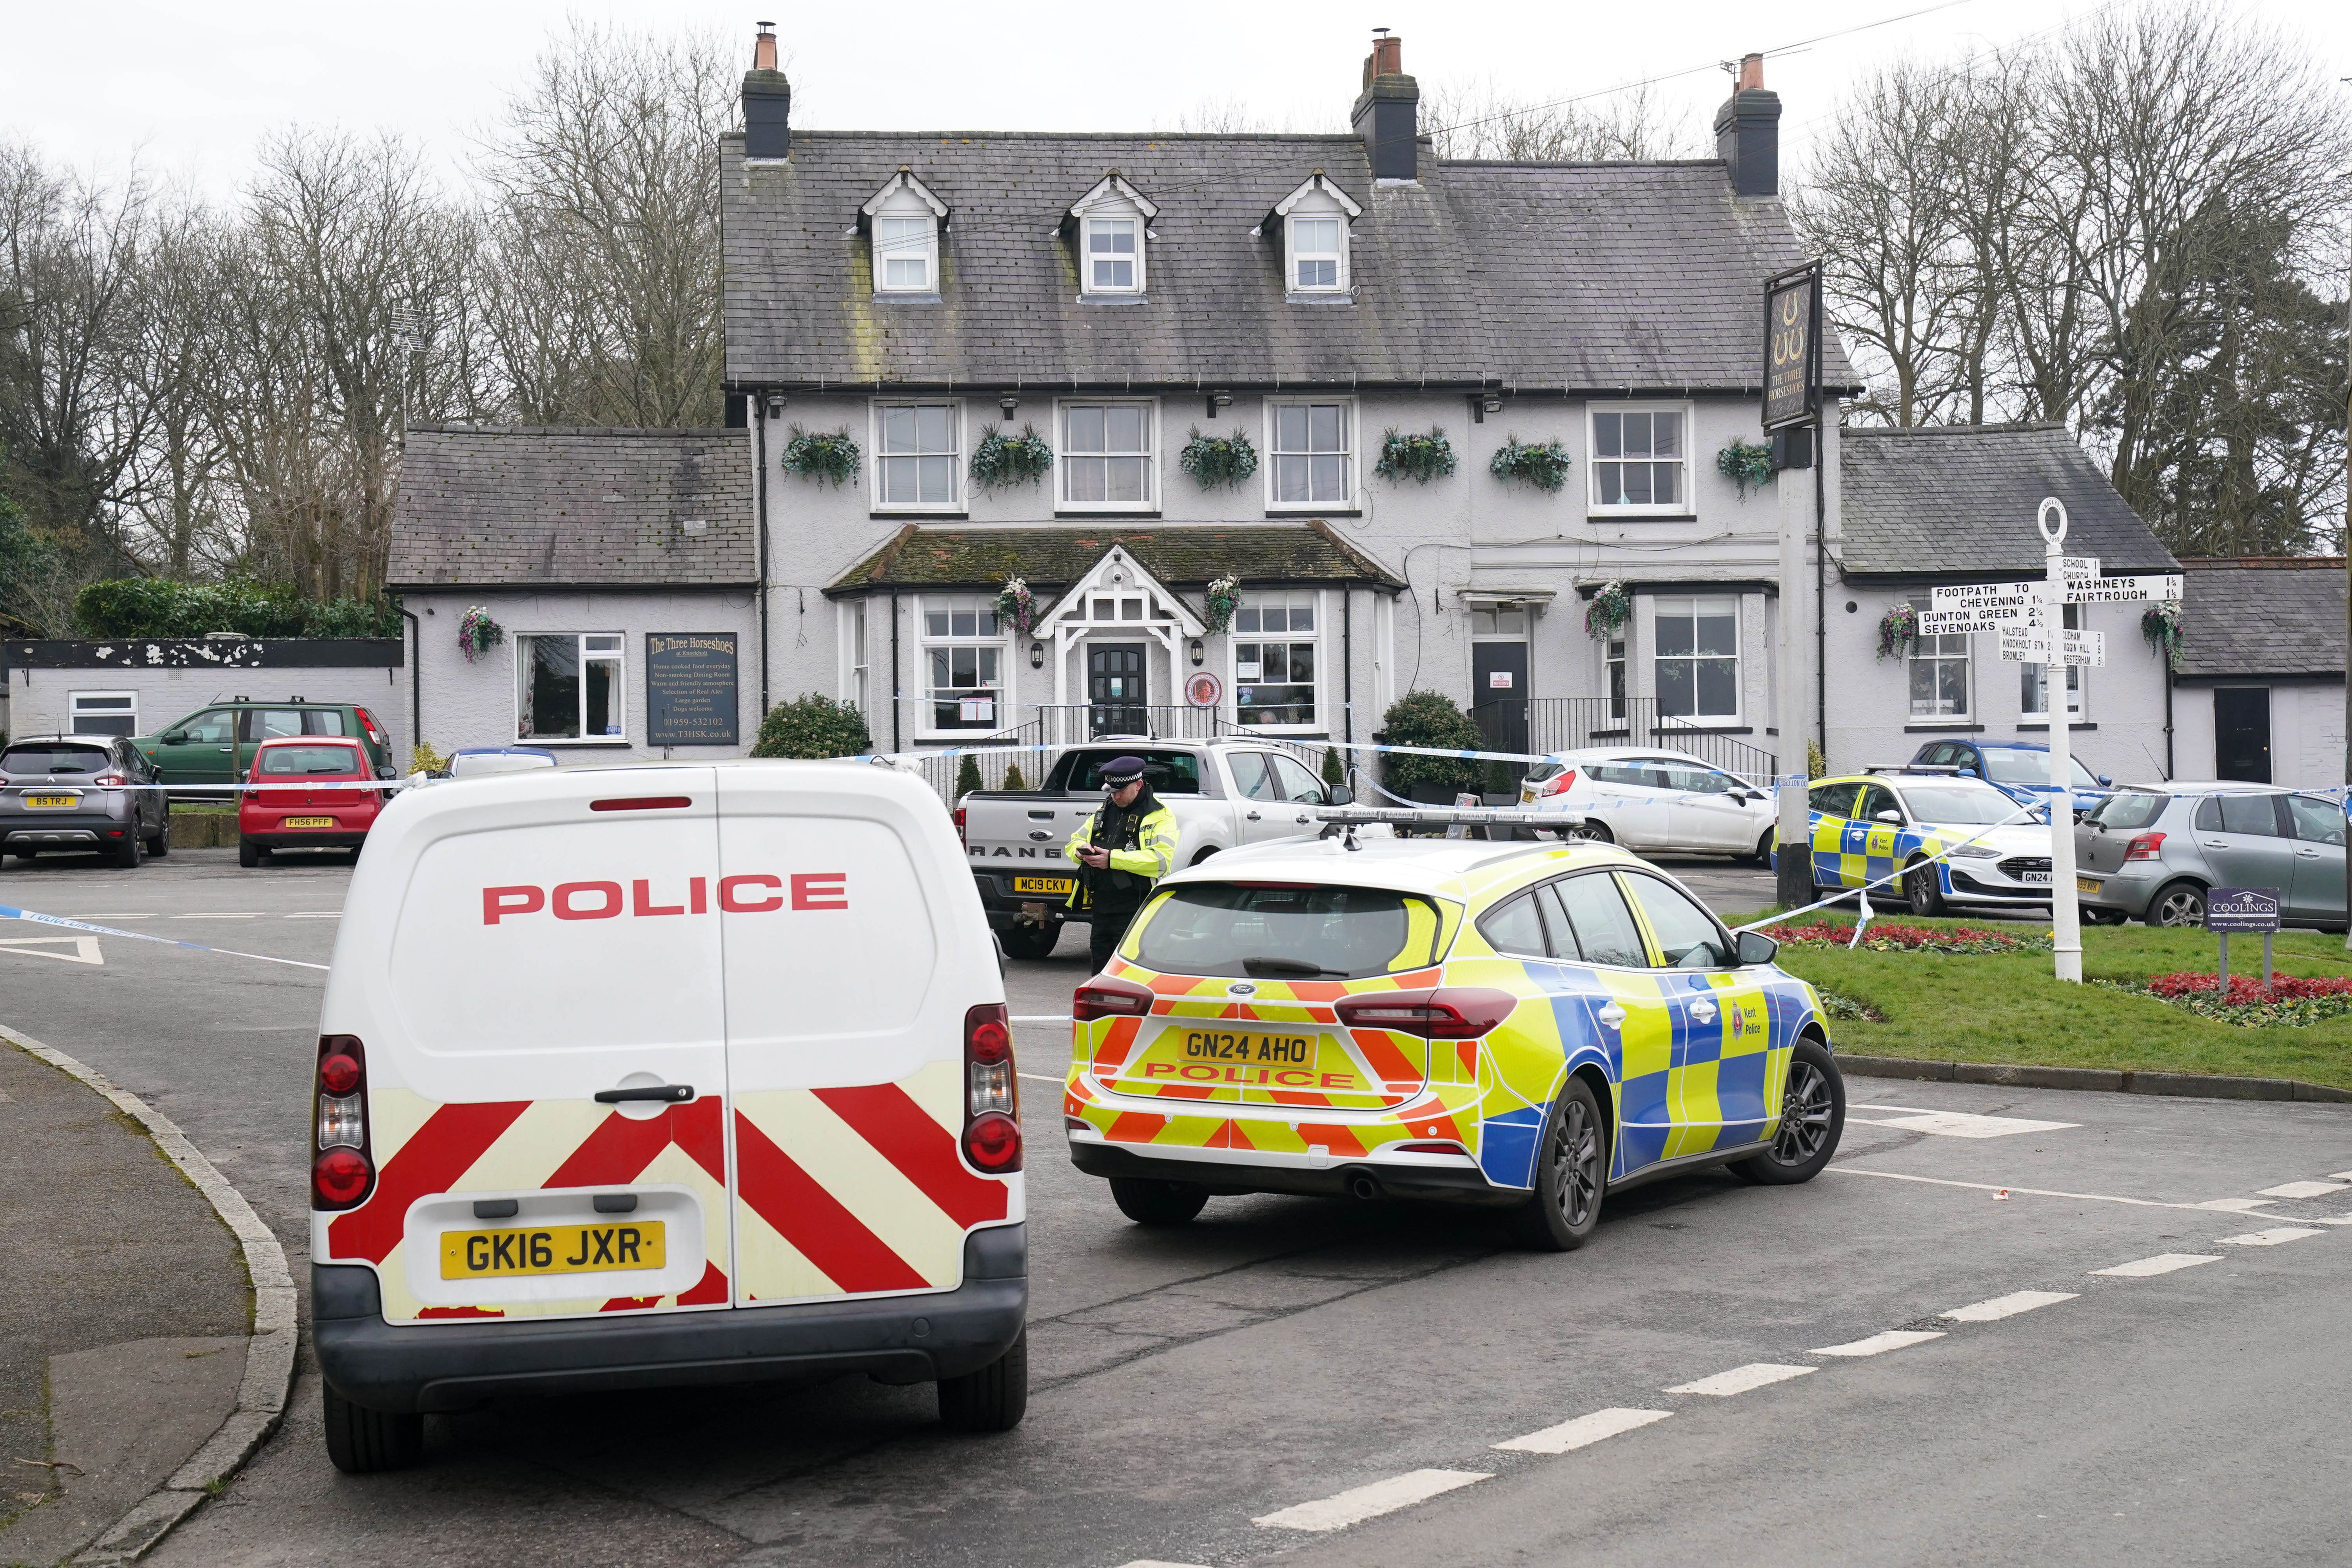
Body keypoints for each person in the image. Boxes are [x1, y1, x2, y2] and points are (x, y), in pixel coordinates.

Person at [1063, 755, 1178, 973]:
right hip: (1102, 905)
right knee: (1100, 968)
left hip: (1137, 905)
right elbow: (1074, 842)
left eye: (1120, 791)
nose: (1115, 796)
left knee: (1129, 970)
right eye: (1111, 791)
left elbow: (1161, 860)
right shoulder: (1105, 810)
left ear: (1139, 785)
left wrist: (1113, 860)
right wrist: (1081, 854)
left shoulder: (1158, 815)